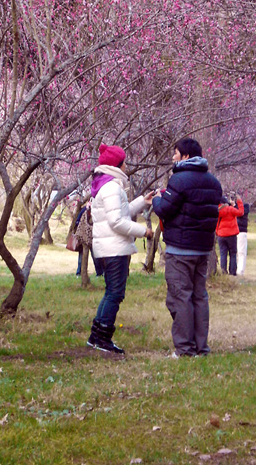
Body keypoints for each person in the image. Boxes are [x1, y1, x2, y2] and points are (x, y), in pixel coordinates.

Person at [152, 137, 222, 357]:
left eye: (175, 153)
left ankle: (184, 349)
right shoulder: (213, 182)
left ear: (186, 157)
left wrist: (155, 199)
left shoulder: (179, 180)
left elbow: (164, 210)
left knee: (180, 297)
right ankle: (201, 347)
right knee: (199, 296)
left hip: (180, 250)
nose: (173, 157)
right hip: (203, 250)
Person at [87, 143, 154, 354]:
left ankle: (96, 337)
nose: (127, 166)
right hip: (114, 248)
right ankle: (102, 338)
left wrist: (143, 202)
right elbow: (117, 222)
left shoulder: (105, 185)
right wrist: (143, 232)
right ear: (118, 164)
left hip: (109, 247)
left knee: (111, 293)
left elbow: (120, 213)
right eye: (125, 162)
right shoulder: (112, 187)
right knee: (115, 293)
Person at [216, 193, 244, 275]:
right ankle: (232, 272)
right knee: (233, 253)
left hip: (221, 235)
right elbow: (241, 212)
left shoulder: (217, 210)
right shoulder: (230, 209)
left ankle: (223, 272)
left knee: (223, 254)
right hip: (231, 235)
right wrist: (239, 201)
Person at [237, 199, 250, 276]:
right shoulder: (232, 205)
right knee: (239, 252)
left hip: (241, 231)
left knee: (241, 252)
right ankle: (238, 270)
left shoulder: (245, 206)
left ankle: (240, 270)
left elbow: (241, 213)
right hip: (235, 231)